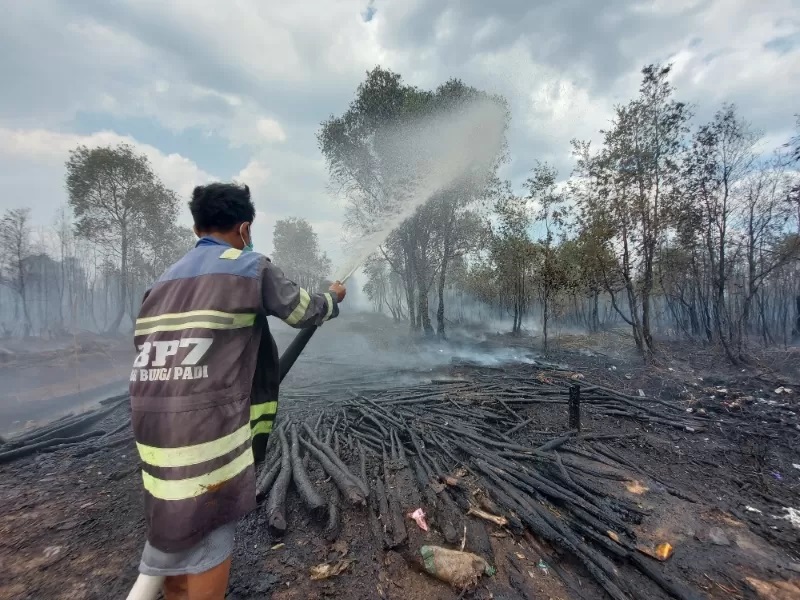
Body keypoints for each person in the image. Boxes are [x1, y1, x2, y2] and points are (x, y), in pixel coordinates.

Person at [129, 182, 345, 599]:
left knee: (174, 524)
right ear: (244, 228)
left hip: (152, 428)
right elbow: (303, 311)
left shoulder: (162, 281)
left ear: (197, 228)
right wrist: (332, 298)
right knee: (209, 533)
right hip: (205, 429)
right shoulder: (250, 267)